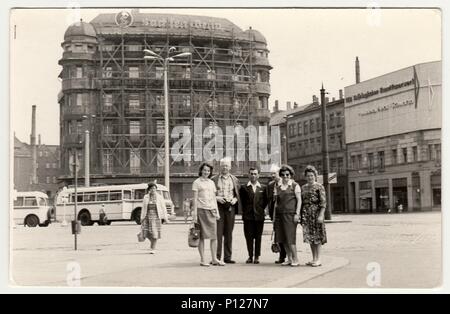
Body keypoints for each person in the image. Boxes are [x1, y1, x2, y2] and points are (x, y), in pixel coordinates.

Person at [192, 163, 225, 266]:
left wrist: (217, 212)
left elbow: (214, 198)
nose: (206, 172)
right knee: (201, 237)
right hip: (201, 211)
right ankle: (203, 260)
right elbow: (195, 199)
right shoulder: (196, 182)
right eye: (204, 170)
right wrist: (194, 215)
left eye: (208, 171)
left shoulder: (211, 183)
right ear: (201, 170)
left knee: (214, 236)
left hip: (211, 211)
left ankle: (214, 258)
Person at [211, 157, 241, 264]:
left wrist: (235, 199)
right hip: (218, 206)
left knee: (229, 233)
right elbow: (210, 194)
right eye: (223, 165)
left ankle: (228, 257)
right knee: (218, 233)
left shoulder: (235, 179)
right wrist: (217, 198)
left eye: (227, 165)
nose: (225, 167)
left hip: (230, 207)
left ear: (230, 167)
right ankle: (217, 257)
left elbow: (238, 193)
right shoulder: (214, 179)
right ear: (220, 166)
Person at [274, 165, 302, 267]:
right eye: (283, 175)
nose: (285, 176)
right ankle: (289, 258)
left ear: (290, 175)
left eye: (287, 174)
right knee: (283, 238)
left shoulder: (295, 185)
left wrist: (297, 214)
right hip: (280, 215)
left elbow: (299, 200)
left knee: (290, 238)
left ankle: (296, 259)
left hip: (290, 215)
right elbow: (276, 202)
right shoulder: (278, 187)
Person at [239, 167, 268, 264]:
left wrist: (260, 210)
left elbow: (265, 202)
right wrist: (246, 212)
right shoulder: (244, 187)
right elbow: (242, 202)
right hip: (248, 216)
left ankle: (257, 256)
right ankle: (250, 256)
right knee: (249, 237)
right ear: (248, 175)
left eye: (255, 174)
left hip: (259, 216)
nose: (253, 175)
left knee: (258, 236)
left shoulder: (263, 187)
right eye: (251, 173)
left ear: (258, 175)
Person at [300, 165, 327, 267]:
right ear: (305, 177)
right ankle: (314, 258)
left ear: (315, 176)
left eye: (312, 175)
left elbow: (323, 203)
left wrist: (321, 215)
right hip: (306, 214)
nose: (310, 177)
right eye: (308, 176)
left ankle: (319, 259)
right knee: (310, 237)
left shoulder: (320, 187)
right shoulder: (303, 187)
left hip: (316, 213)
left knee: (317, 237)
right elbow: (301, 202)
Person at [139, 183, 169, 254]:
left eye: (154, 188)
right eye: (151, 188)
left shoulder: (159, 197)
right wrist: (142, 217)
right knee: (146, 233)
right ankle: (152, 244)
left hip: (156, 217)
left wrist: (165, 217)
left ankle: (153, 248)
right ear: (149, 189)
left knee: (155, 232)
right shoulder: (146, 197)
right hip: (147, 217)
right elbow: (143, 208)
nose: (153, 190)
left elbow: (163, 208)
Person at [267, 164, 287, 264]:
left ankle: (287, 255)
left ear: (278, 173)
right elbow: (269, 200)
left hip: (284, 213)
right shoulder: (270, 185)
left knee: (285, 234)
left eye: (274, 173)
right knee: (278, 235)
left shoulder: (284, 183)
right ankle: (282, 256)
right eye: (271, 174)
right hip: (275, 214)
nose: (272, 175)